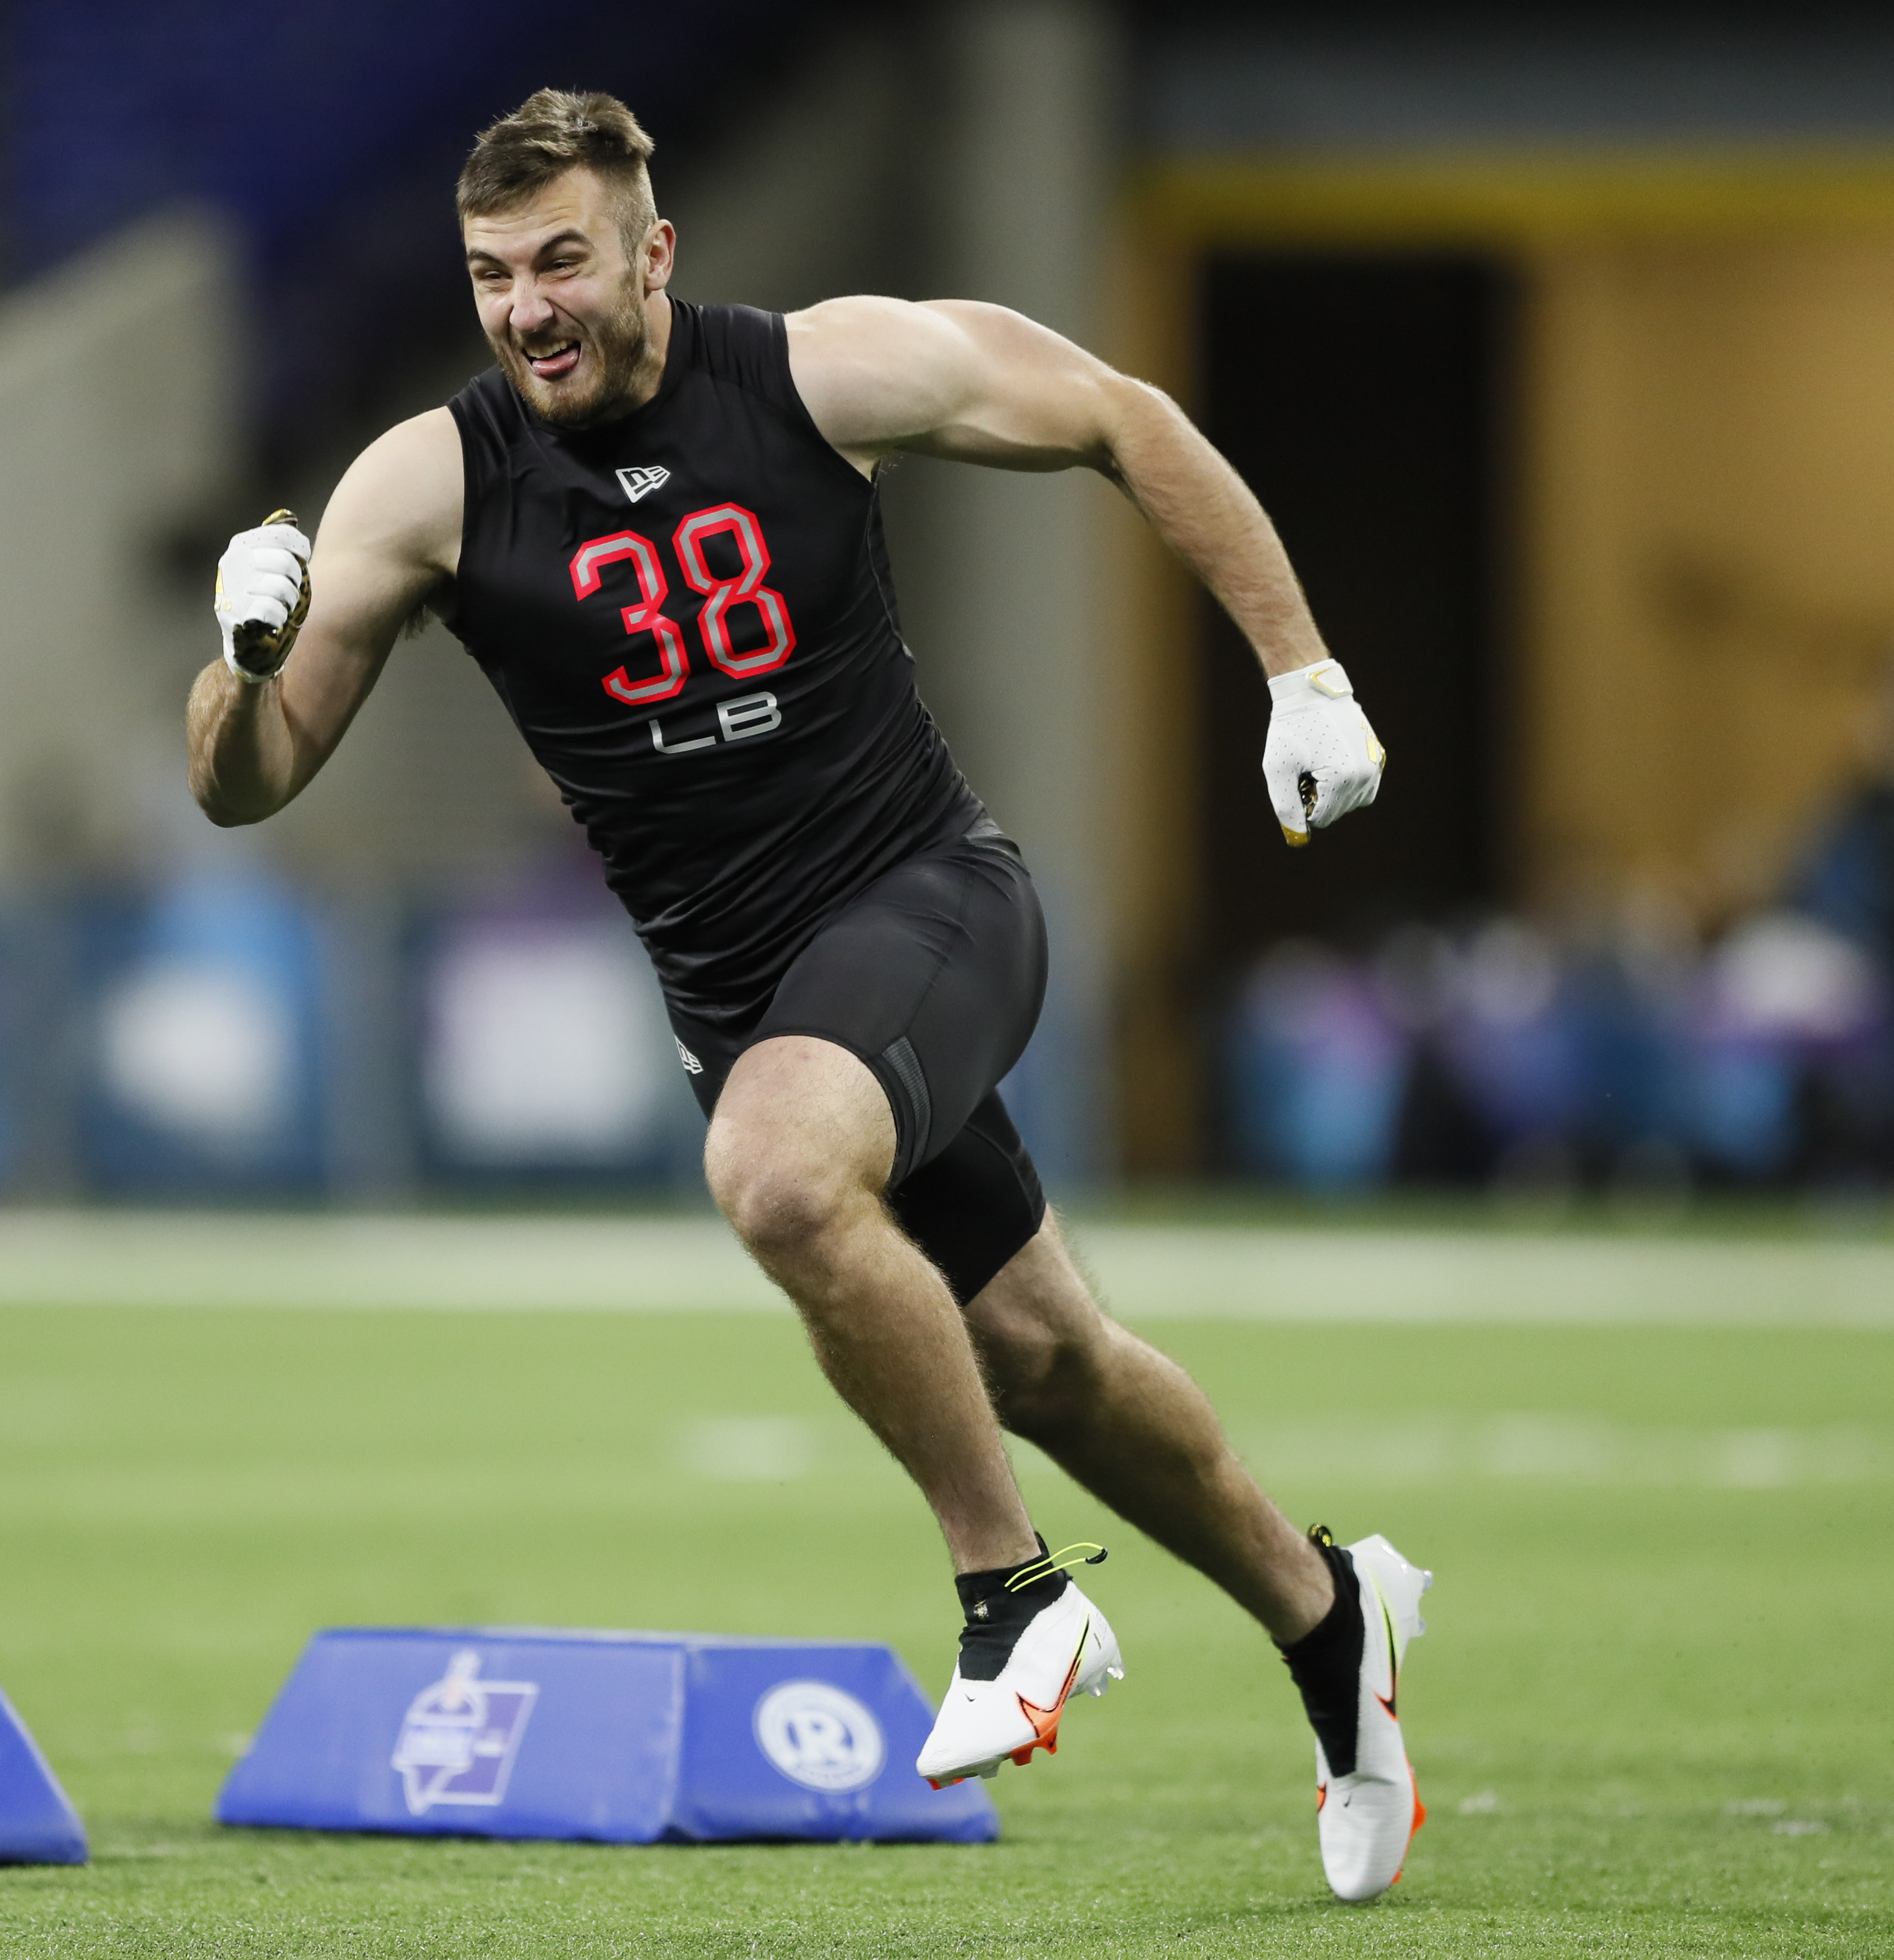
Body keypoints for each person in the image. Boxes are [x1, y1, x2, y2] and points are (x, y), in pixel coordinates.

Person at [186, 89, 1431, 1902]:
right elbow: (253, 781)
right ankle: (1334, 1626)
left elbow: (1116, 416)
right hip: (746, 995)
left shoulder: (818, 375)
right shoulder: (427, 482)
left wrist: (1300, 673)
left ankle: (1013, 1601)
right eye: (489, 275)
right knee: (1049, 1363)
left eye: (562, 262)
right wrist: (238, 663)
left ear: (651, 253)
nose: (528, 307)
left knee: (774, 1179)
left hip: (924, 903)